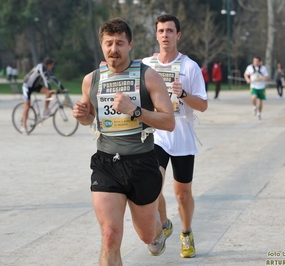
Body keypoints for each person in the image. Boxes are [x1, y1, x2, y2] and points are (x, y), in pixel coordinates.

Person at [72, 18, 175, 265]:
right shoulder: (91, 80)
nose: (113, 49)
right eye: (108, 43)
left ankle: (158, 230)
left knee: (146, 234)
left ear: (130, 44)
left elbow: (169, 121)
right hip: (106, 163)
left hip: (141, 162)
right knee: (110, 236)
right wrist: (83, 117)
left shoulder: (148, 76)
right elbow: (91, 120)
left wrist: (136, 110)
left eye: (119, 43)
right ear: (102, 45)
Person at [142, 13, 208, 259]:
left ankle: (186, 232)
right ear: (156, 35)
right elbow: (126, 70)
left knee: (182, 194)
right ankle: (164, 223)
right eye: (161, 31)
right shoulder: (146, 64)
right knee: (152, 184)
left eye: (170, 31)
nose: (165, 35)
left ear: (177, 35)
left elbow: (202, 105)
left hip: (181, 134)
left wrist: (183, 95)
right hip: (156, 133)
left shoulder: (189, 66)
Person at [21, 57, 66, 135]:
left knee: (49, 93)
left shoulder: (47, 70)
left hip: (35, 86)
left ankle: (45, 111)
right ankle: (23, 127)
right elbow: (45, 78)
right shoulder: (41, 67)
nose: (52, 67)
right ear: (48, 65)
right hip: (27, 86)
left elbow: (54, 79)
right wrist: (50, 88)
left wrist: (63, 88)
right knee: (27, 106)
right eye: (52, 65)